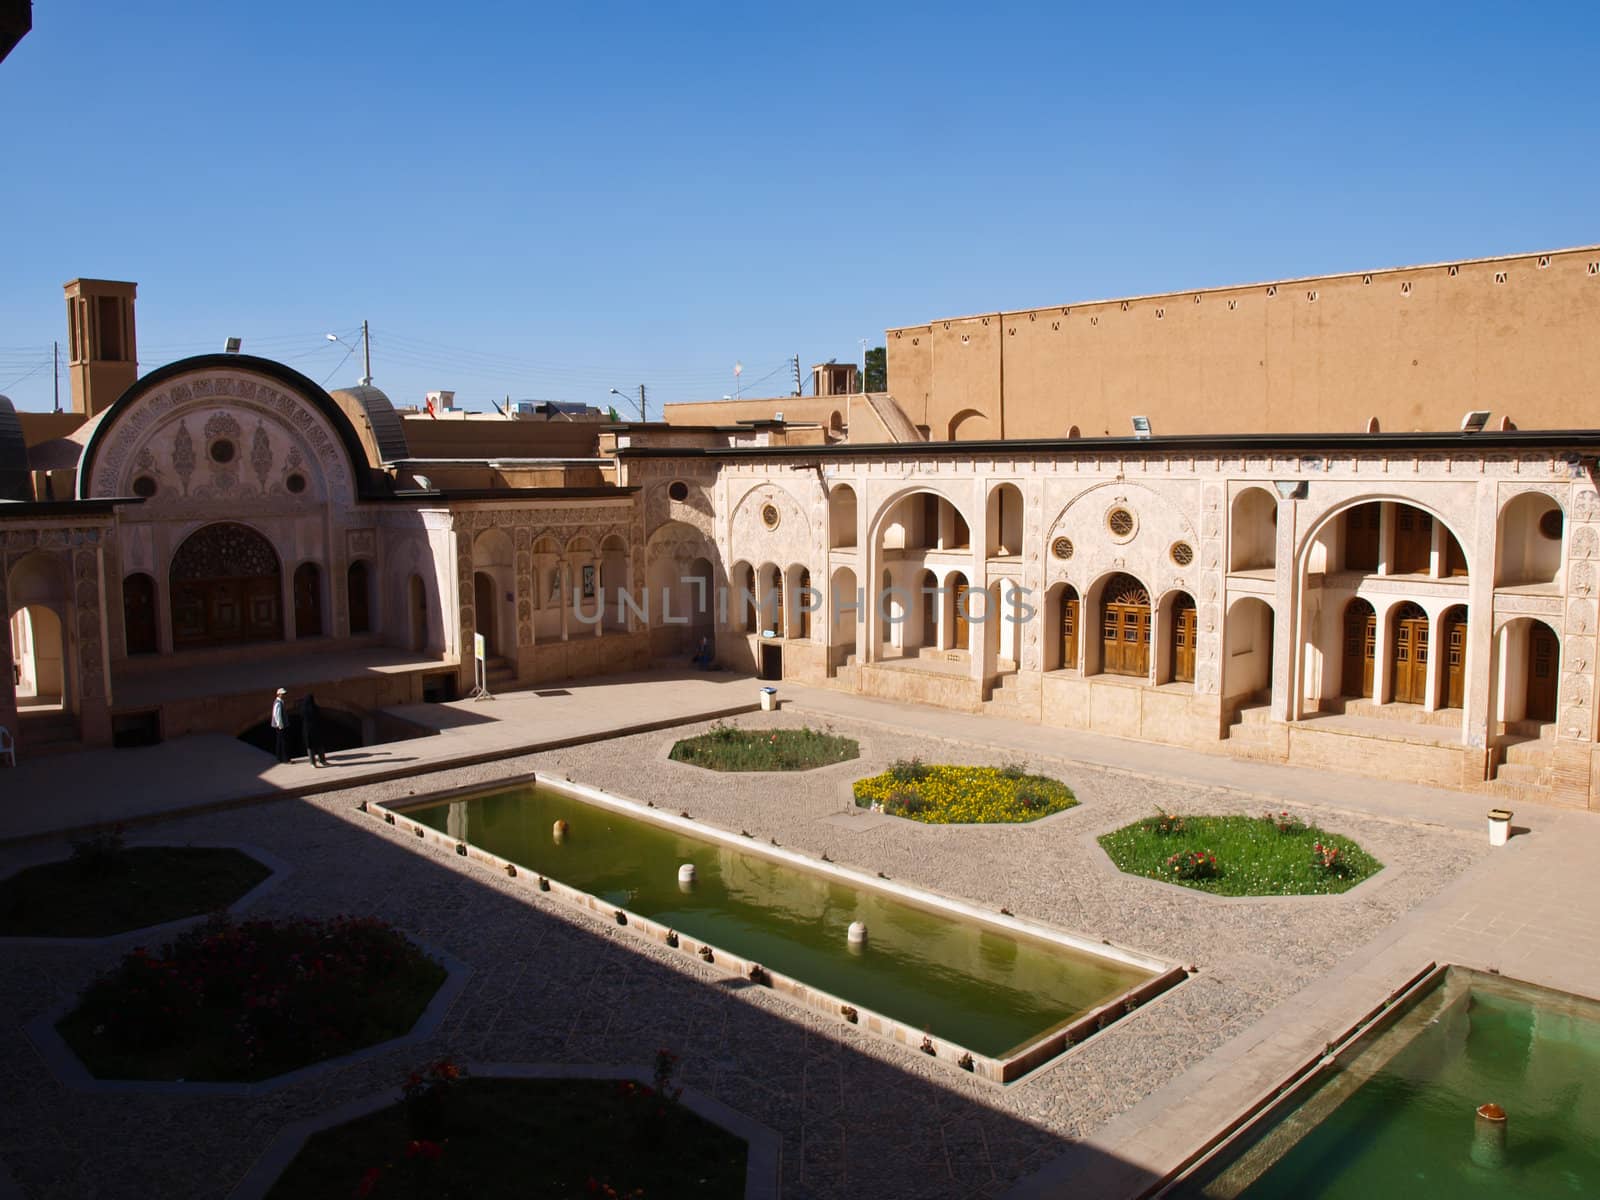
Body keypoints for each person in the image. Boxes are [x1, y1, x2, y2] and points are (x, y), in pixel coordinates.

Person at [300, 692, 330, 767]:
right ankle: (323, 761)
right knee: (319, 746)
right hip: (316, 729)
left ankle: (313, 763)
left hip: (307, 730)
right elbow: (320, 717)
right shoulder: (315, 708)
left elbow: (302, 718)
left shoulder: (303, 709)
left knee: (310, 747)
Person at [270, 688, 289, 763]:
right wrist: (280, 725)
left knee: (280, 742)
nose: (284, 695)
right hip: (280, 726)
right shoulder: (278, 703)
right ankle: (285, 758)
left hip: (280, 726)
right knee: (283, 742)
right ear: (278, 694)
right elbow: (277, 715)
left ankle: (279, 757)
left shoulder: (280, 702)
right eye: (282, 694)